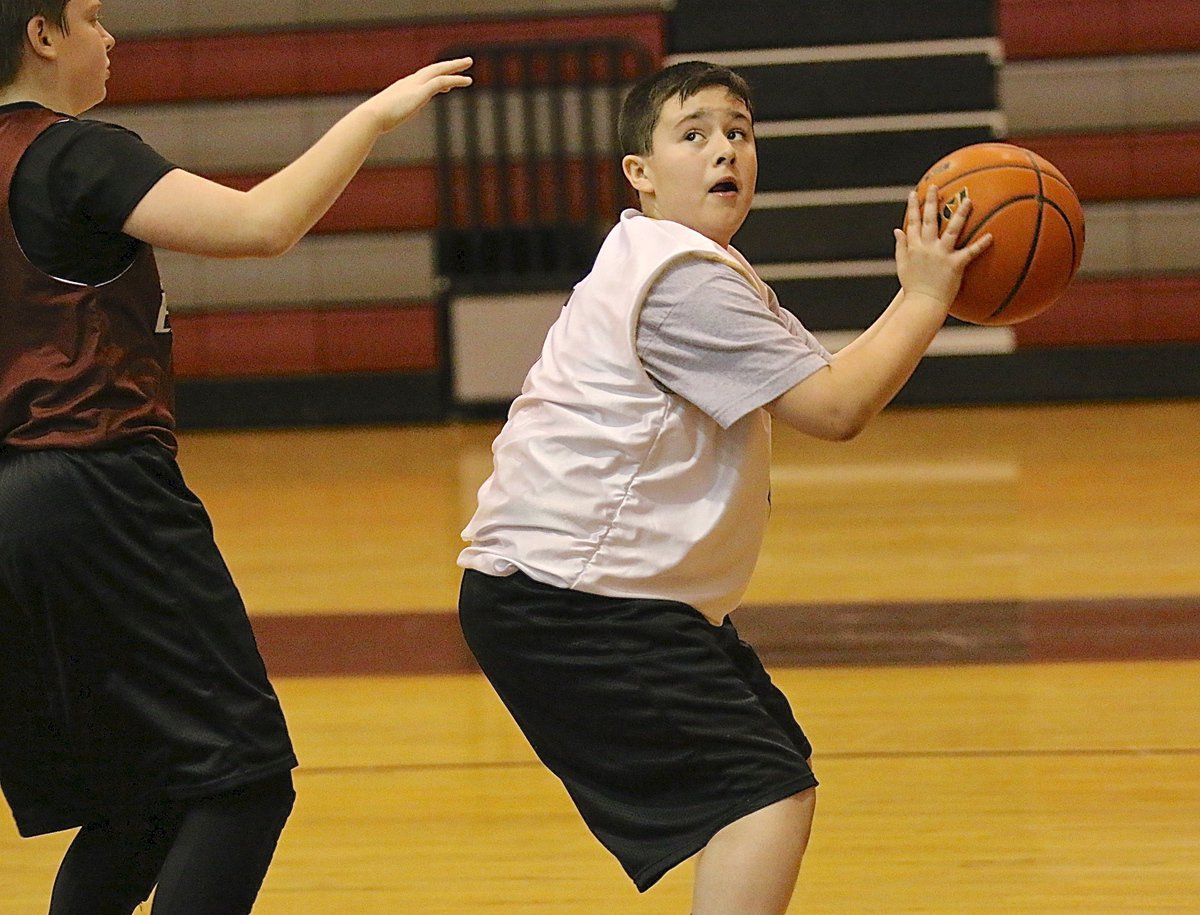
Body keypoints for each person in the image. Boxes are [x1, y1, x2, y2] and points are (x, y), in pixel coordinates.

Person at [457, 60, 990, 914]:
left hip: (603, 598)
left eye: (738, 132)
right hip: (572, 601)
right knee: (764, 796)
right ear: (640, 172)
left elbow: (828, 378)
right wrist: (926, 295)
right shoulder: (681, 281)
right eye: (694, 133)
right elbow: (838, 405)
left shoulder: (691, 266)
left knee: (777, 776)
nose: (724, 150)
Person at [0, 1, 471, 912]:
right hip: (98, 488)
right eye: (93, 17)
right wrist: (371, 115)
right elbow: (261, 224)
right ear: (41, 34)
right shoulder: (75, 152)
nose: (110, 39)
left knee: (136, 805)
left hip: (14, 515)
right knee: (245, 783)